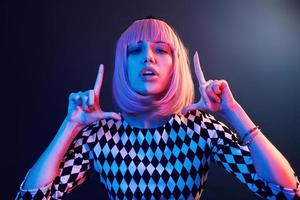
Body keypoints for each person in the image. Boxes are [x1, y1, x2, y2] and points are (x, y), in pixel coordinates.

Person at [16, 17, 300, 199]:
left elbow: (286, 192)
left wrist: (234, 112)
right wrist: (71, 125)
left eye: (161, 50)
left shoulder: (199, 127)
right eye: (135, 51)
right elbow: (31, 197)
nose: (148, 58)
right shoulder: (100, 135)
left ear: (176, 64)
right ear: (123, 64)